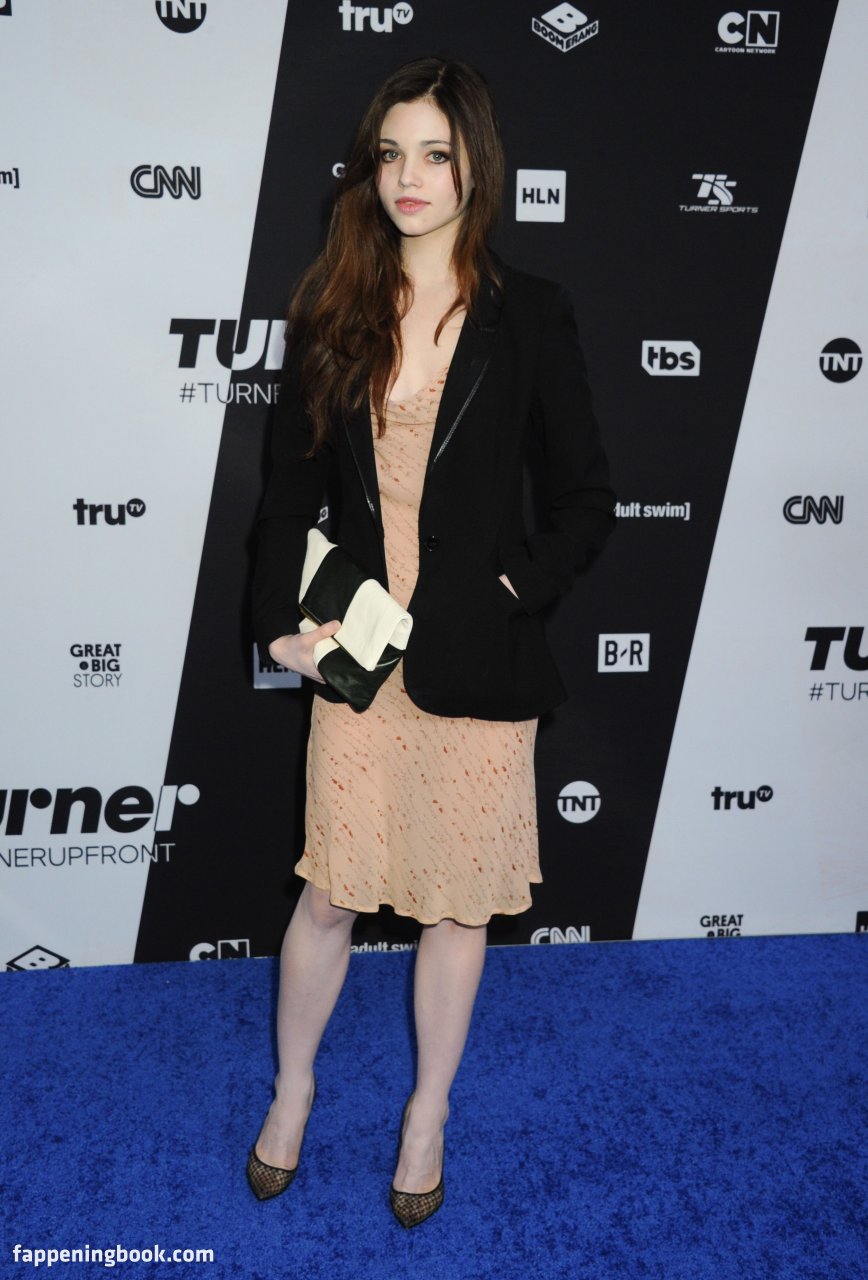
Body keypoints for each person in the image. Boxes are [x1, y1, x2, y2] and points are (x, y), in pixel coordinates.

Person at [249, 57, 615, 1227]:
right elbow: (285, 498)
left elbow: (586, 499)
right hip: (358, 661)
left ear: (474, 168)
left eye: (436, 154)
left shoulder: (531, 313)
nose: (409, 177)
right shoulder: (332, 311)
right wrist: (283, 631)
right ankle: (294, 1088)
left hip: (476, 662)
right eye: (390, 154)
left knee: (457, 908)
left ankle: (426, 1112)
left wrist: (510, 587)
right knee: (328, 898)